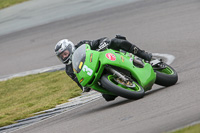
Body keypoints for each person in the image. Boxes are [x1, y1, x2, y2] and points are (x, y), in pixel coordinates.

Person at [55, 35, 152, 101]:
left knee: (116, 41)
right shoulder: (69, 70)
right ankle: (124, 85)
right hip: (97, 75)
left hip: (105, 58)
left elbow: (99, 41)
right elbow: (80, 83)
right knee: (108, 97)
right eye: (61, 56)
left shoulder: (82, 45)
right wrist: (84, 86)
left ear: (70, 48)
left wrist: (103, 44)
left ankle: (143, 54)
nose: (64, 57)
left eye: (65, 54)